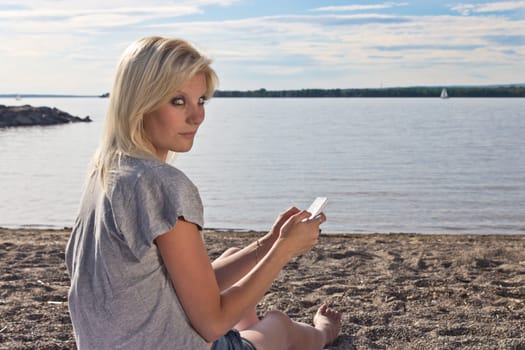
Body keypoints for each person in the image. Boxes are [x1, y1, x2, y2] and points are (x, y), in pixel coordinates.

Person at [65, 36, 342, 350]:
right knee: (279, 324)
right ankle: (323, 334)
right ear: (141, 102)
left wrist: (268, 244)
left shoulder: (106, 173)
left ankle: (250, 330)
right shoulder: (163, 185)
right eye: (178, 101)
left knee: (229, 262)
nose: (197, 116)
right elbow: (212, 324)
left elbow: (173, 284)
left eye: (201, 101)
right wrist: (284, 251)